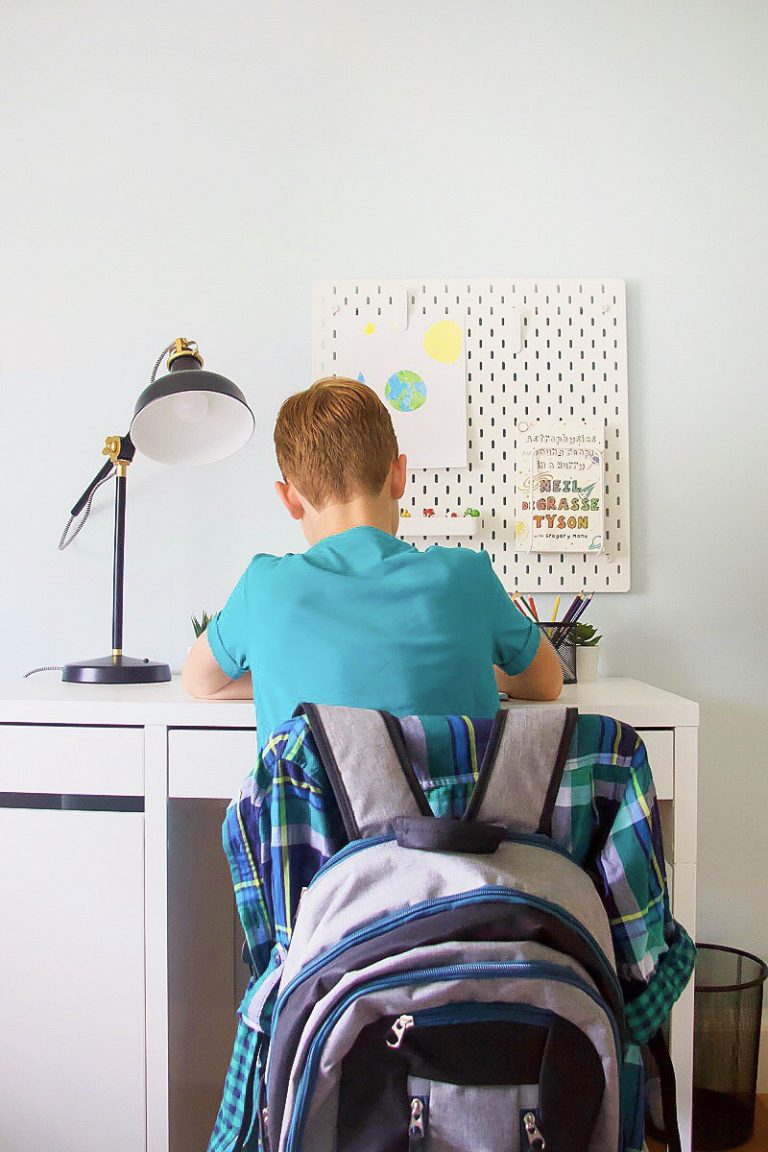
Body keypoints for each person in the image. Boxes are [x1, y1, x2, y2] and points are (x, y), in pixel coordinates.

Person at [182, 376, 562, 736]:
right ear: (399, 475)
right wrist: (475, 666)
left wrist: (283, 675)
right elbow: (547, 682)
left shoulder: (263, 588)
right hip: (448, 808)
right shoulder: (466, 577)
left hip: (311, 806)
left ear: (289, 498)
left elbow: (199, 682)